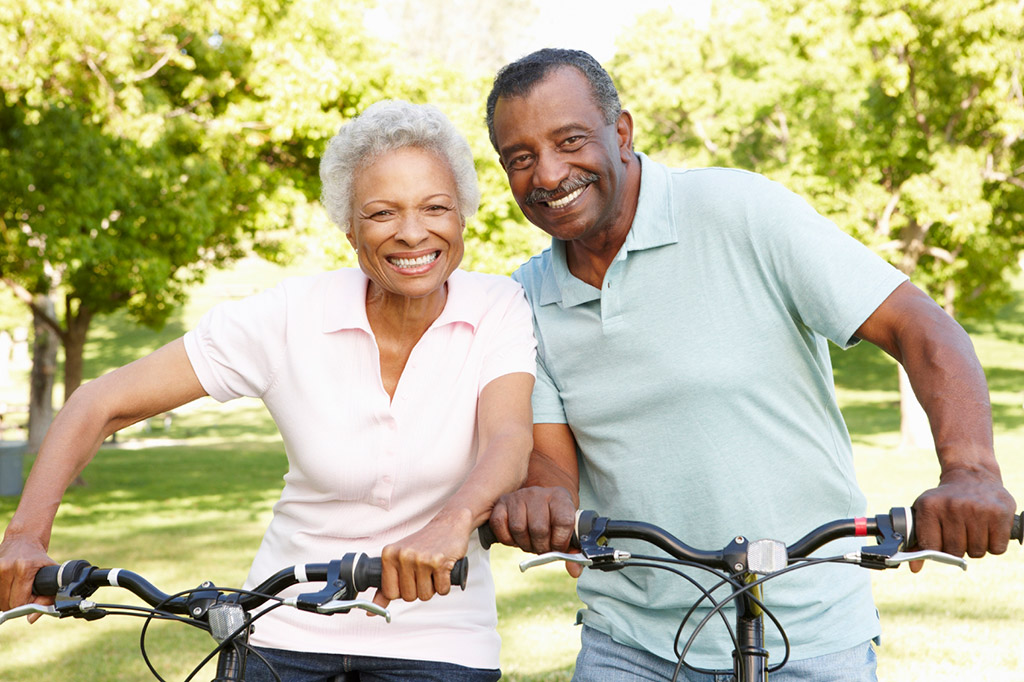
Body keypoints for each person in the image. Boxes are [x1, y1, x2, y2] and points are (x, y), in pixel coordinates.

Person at [482, 48, 1016, 682]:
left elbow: (920, 328)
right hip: (631, 643)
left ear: (620, 132)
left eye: (570, 140)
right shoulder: (526, 298)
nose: (548, 173)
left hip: (812, 630)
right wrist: (540, 501)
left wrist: (971, 470)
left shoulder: (739, 211)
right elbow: (550, 459)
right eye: (520, 158)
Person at [0, 100, 537, 681]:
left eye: (436, 207)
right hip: (281, 626)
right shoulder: (288, 317)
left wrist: (451, 523)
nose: (413, 233)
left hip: (443, 636)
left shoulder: (497, 307)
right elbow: (99, 402)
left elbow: (507, 439)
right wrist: (25, 537)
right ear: (349, 227)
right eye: (382, 213)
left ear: (463, 216)